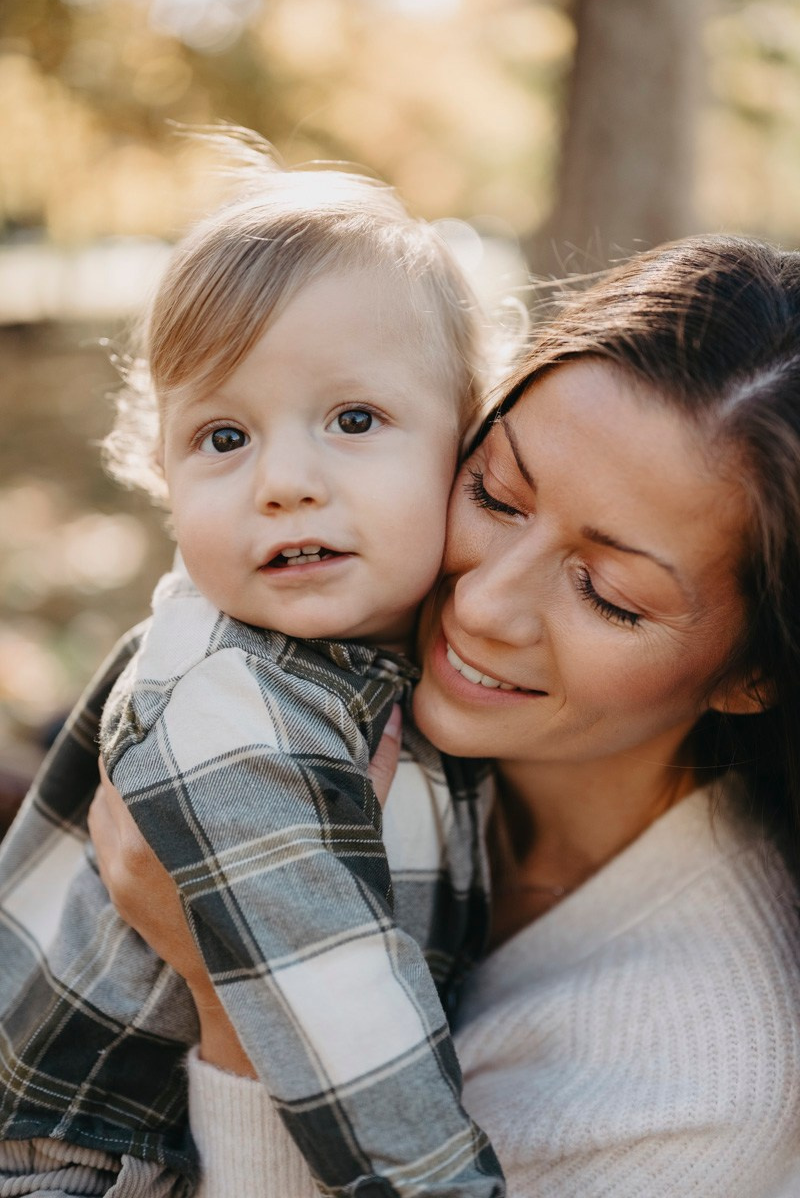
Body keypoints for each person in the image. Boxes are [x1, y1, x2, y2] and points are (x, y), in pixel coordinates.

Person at [89, 234, 800, 1197]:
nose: (482, 605)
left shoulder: (701, 1093)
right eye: (496, 495)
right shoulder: (332, 669)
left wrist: (234, 993)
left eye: (609, 594)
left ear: (753, 672)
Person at [0, 134, 508, 1196]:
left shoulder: (401, 665)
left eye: (354, 419)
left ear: (467, 446)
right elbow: (346, 1035)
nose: (283, 481)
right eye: (223, 438)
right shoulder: (235, 706)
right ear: (161, 471)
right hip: (85, 1162)